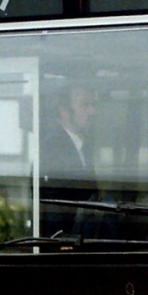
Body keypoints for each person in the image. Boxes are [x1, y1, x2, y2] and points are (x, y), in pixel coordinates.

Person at [40, 85, 98, 236]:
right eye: (85, 105)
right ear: (64, 111)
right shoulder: (52, 149)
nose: (93, 112)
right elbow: (54, 207)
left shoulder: (83, 146)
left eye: (93, 105)